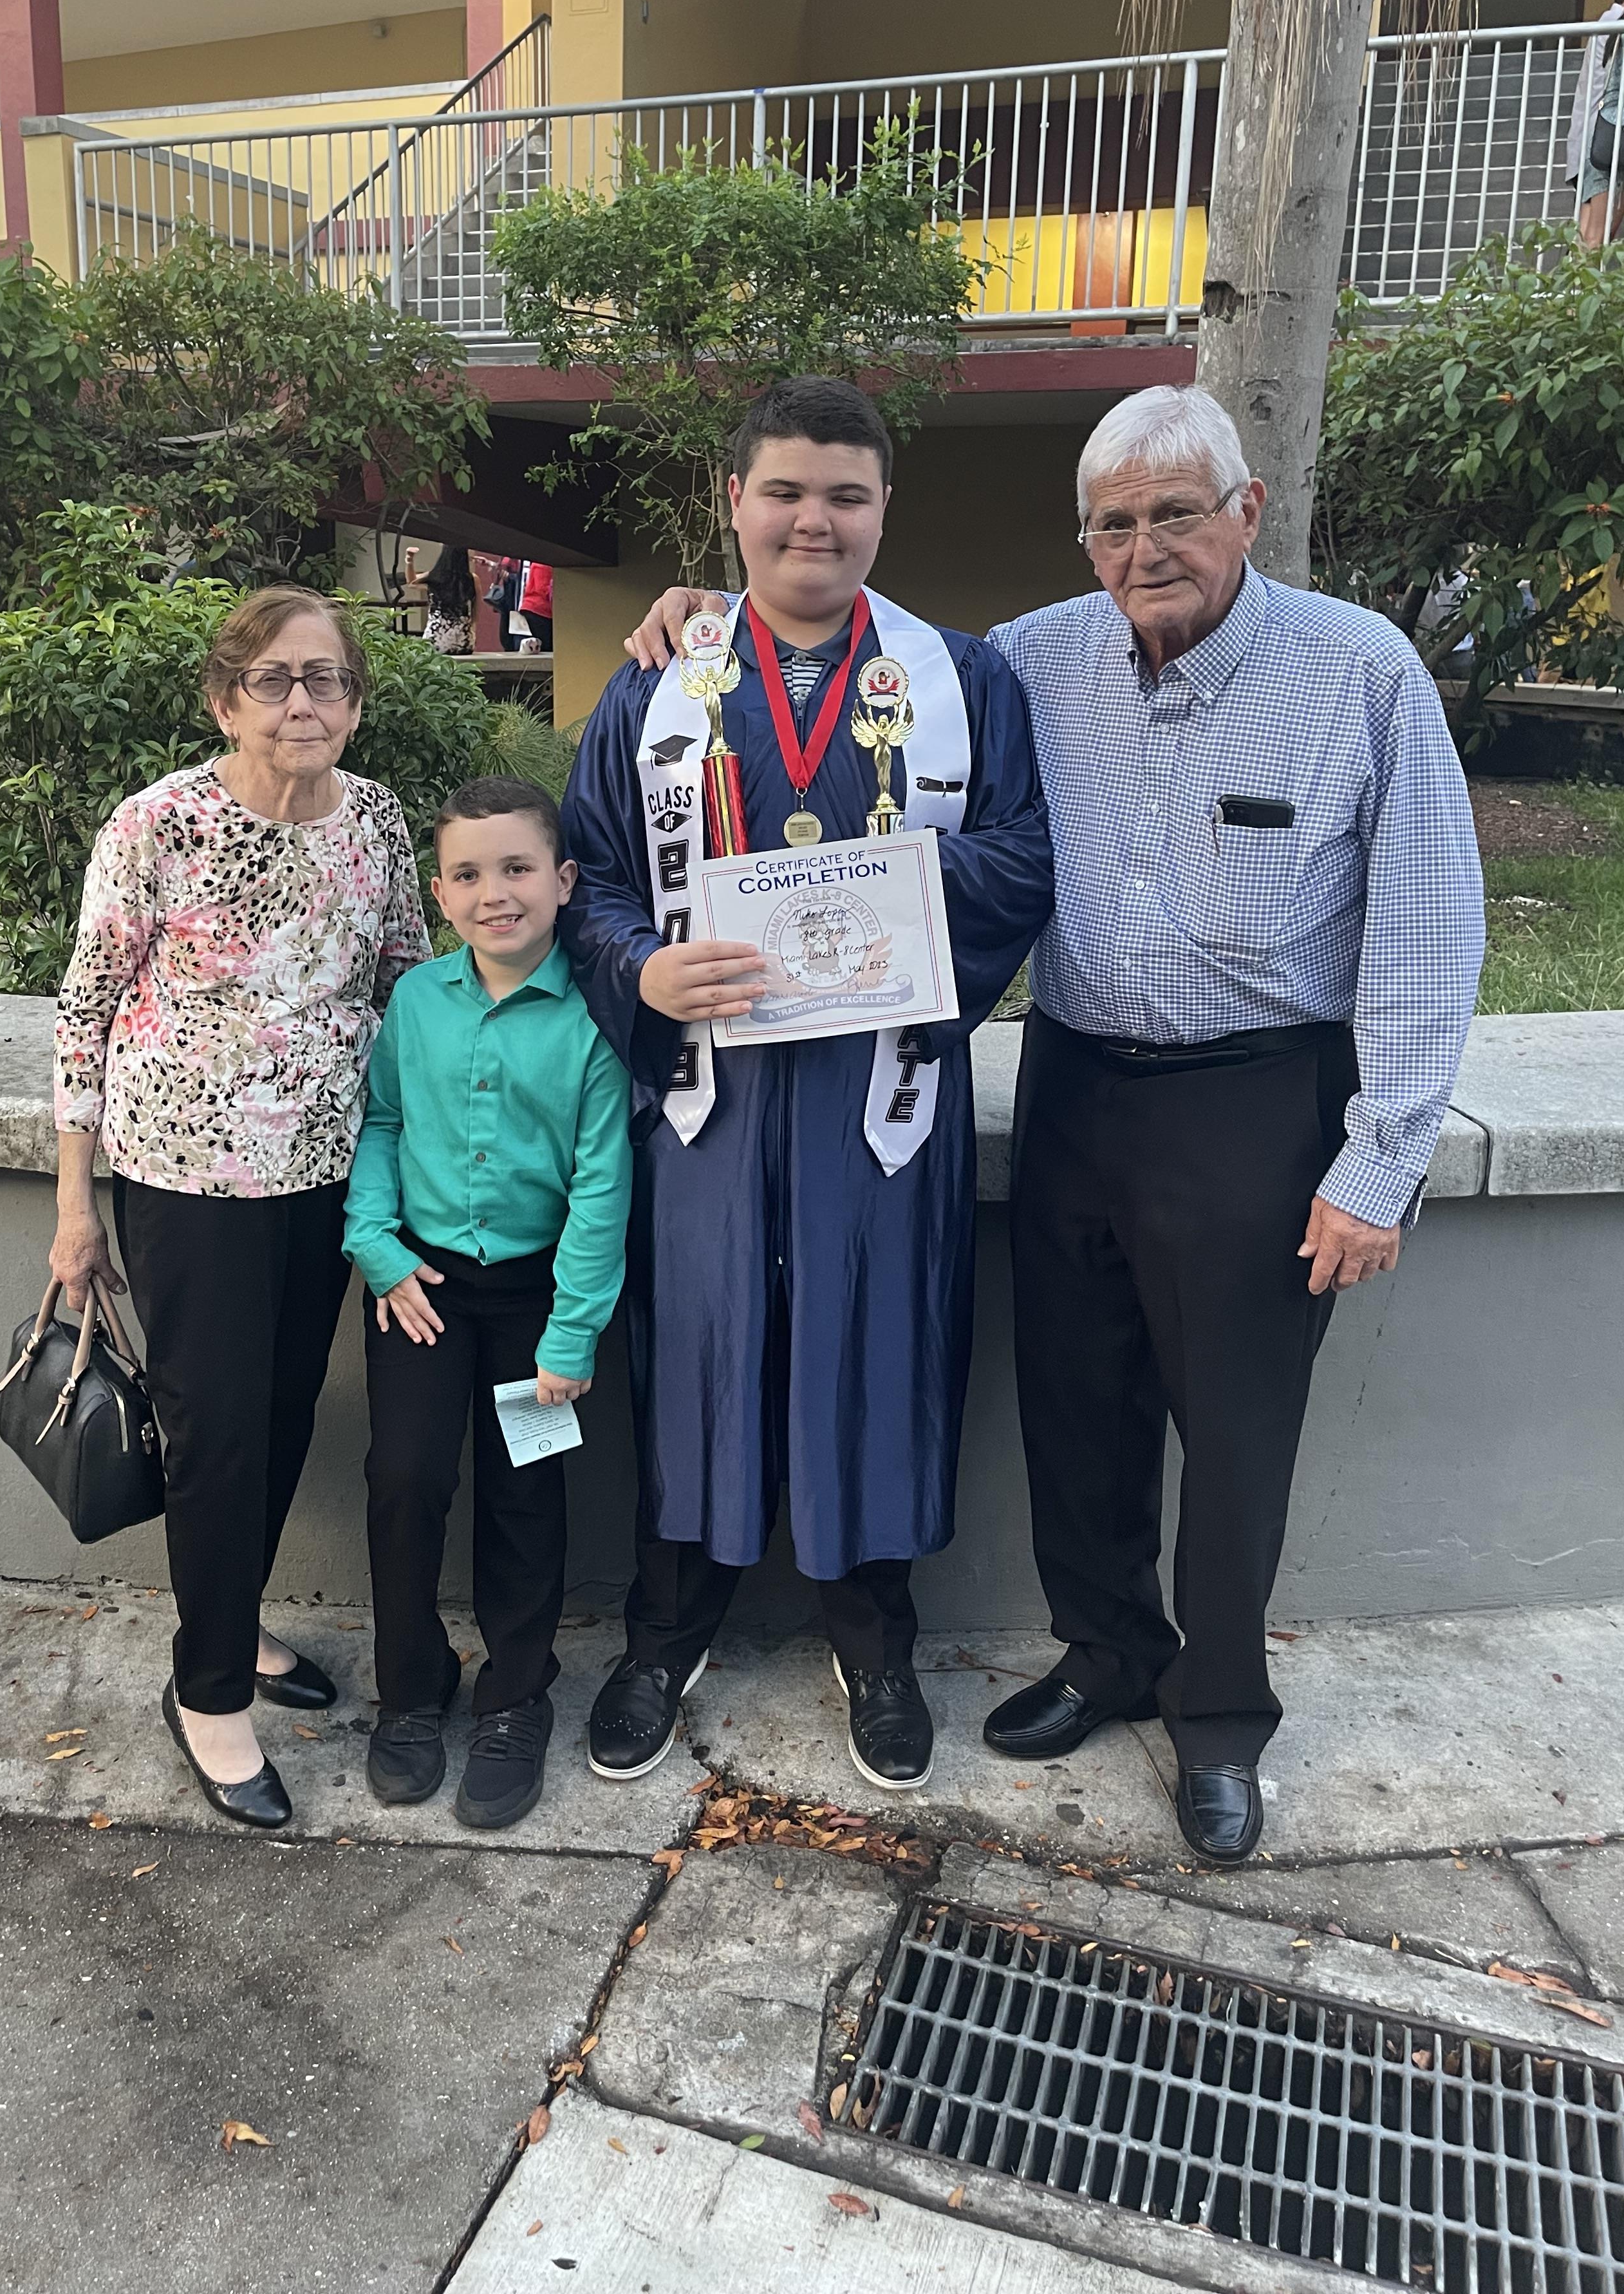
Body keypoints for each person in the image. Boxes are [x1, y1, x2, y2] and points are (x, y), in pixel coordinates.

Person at [624, 384, 1486, 1865]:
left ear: (1249, 513)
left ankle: (1219, 1718)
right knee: (1080, 1409)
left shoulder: (1362, 674)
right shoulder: (1023, 663)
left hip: (1262, 1098)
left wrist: (1380, 1161)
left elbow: (1425, 927)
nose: (1146, 546)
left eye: (1175, 512)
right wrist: (705, 614)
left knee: (1234, 1430)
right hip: (1081, 1082)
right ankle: (1105, 1656)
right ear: (1082, 538)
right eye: (1114, 521)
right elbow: (843, 644)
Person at [561, 375, 1054, 1795]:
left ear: (884, 508)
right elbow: (592, 871)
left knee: (876, 1344)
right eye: (784, 491)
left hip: (877, 1092)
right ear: (736, 505)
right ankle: (667, 1632)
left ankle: (875, 1638)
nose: (813, 521)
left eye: (846, 494)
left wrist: (881, 897)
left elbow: (1025, 857)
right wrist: (640, 974)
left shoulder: (965, 680)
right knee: (698, 1348)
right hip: (706, 1095)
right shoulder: (658, 684)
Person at [50, 588, 432, 1831]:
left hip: (328, 1173)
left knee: (276, 1414)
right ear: (226, 701)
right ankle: (206, 1691)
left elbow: (403, 979)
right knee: (211, 1427)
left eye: (324, 679)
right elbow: (85, 1009)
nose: (302, 703)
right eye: (273, 681)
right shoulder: (161, 822)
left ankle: (236, 1619)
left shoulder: (373, 818)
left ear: (355, 700)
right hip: (186, 1174)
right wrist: (73, 1206)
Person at [343, 775, 631, 1830]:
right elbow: (380, 1125)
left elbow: (602, 1185)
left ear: (560, 881)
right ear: (437, 892)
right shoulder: (417, 999)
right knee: (406, 1476)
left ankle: (513, 1694)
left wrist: (570, 1333)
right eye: (467, 874)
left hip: (534, 1299)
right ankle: (411, 1689)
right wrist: (373, 1244)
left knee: (525, 1494)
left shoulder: (592, 1024)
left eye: (515, 869)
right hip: (418, 1288)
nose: (492, 892)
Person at [1571, 0, 1624, 246]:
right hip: (1623, 130)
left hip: (1605, 131)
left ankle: (1575, 287)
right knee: (1597, 236)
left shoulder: (1622, 22)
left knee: (1590, 233)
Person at [420, 547, 477, 655]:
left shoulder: (434, 577)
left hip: (435, 641)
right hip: (464, 643)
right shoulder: (471, 579)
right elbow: (476, 611)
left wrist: (409, 561)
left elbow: (412, 582)